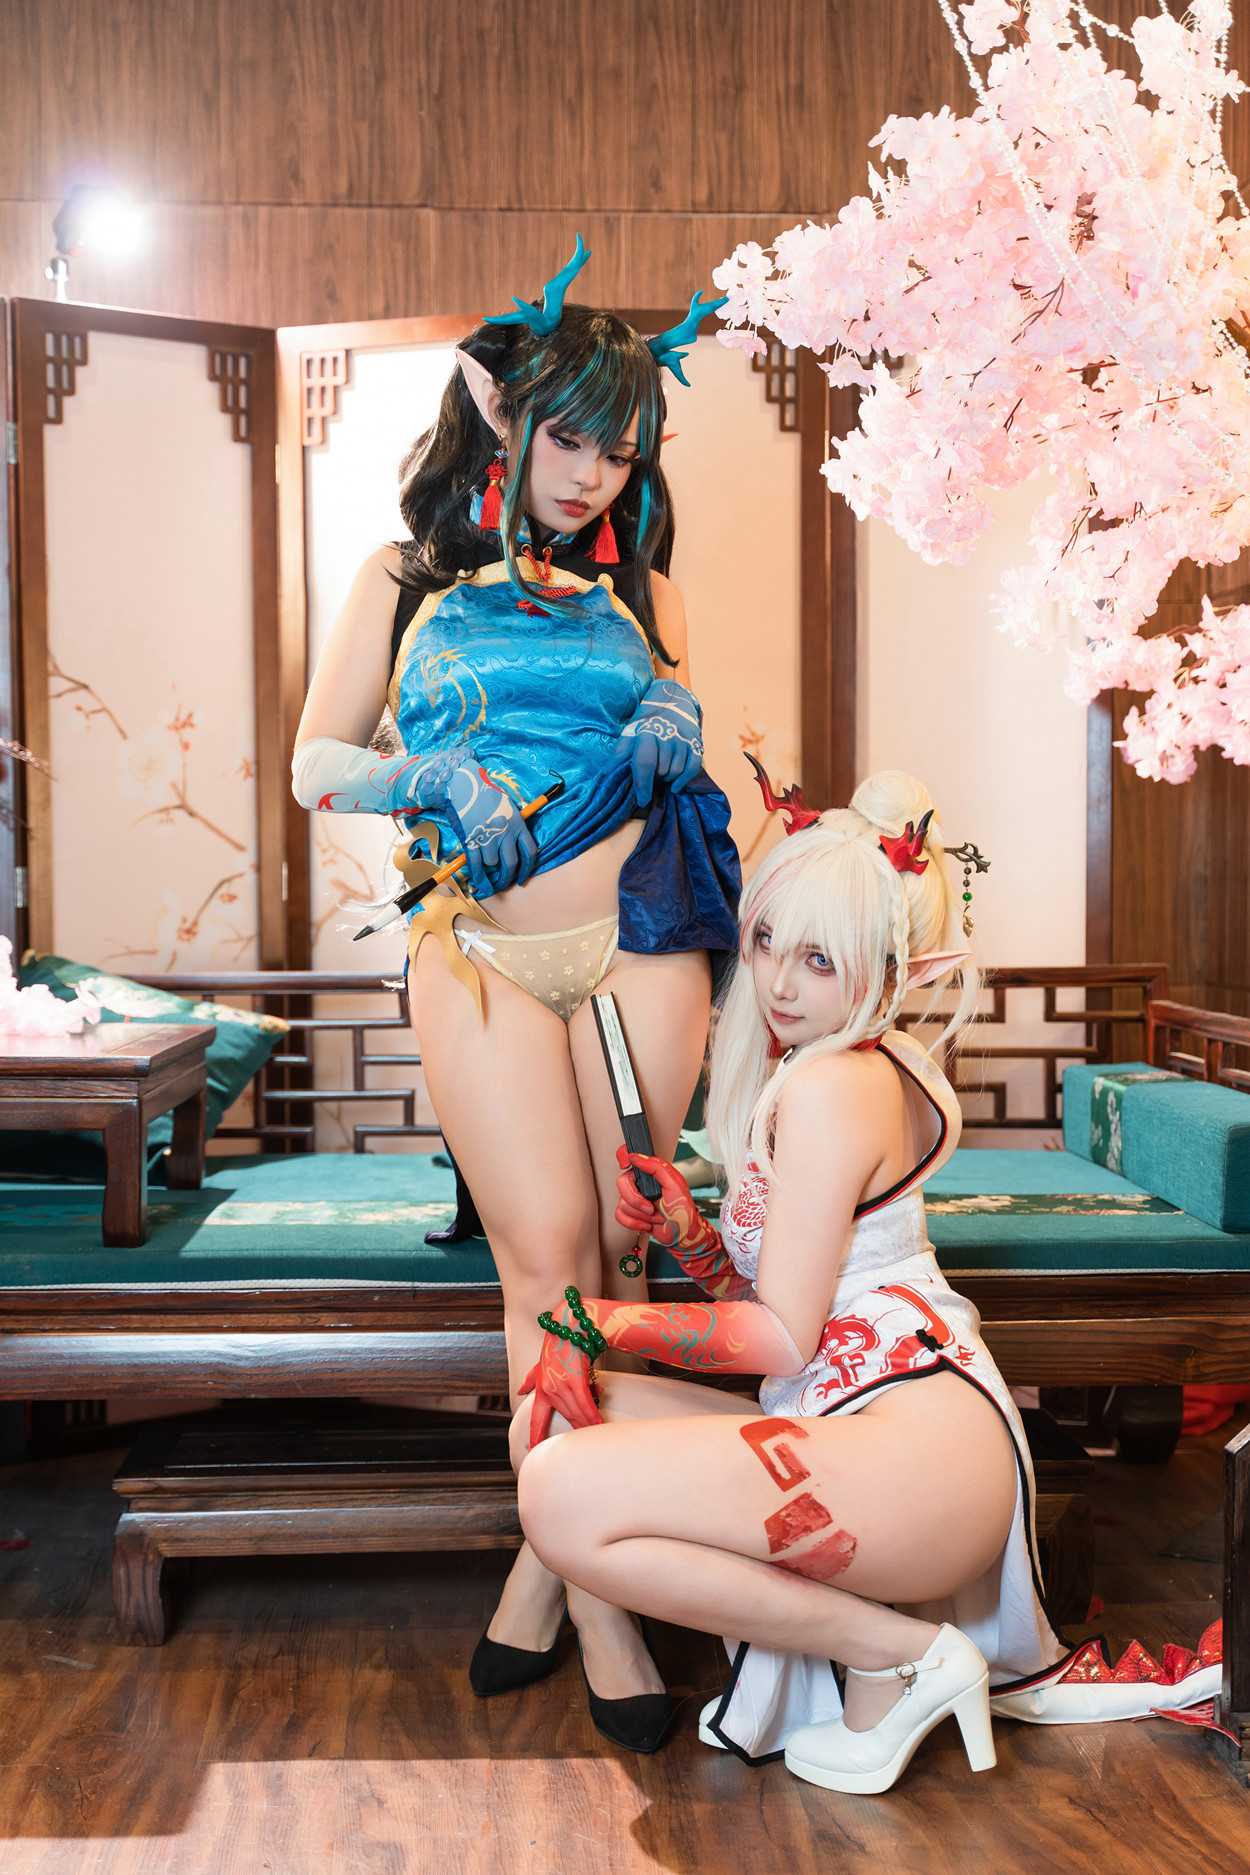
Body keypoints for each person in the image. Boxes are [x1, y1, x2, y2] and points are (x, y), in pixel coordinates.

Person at [290, 237, 741, 1750]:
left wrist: (677, 719)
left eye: (620, 450)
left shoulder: (645, 592)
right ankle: (604, 1595)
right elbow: (312, 762)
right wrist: (422, 775)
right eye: (571, 439)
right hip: (475, 949)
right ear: (503, 414)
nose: (593, 474)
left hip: (643, 945)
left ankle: (551, 1566)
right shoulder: (403, 577)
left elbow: (685, 751)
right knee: (544, 1262)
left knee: (624, 1256)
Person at [512, 767, 1075, 1789]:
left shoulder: (831, 1086)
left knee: (555, 1488)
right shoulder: (852, 1064)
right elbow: (777, 1307)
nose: (775, 982)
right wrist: (691, 1236)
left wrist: (596, 1320)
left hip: (918, 1460)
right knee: (551, 1422)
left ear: (888, 971)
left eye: (819, 959)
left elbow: (780, 1338)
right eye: (767, 939)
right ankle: (886, 1662)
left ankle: (896, 1656)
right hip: (873, 1430)